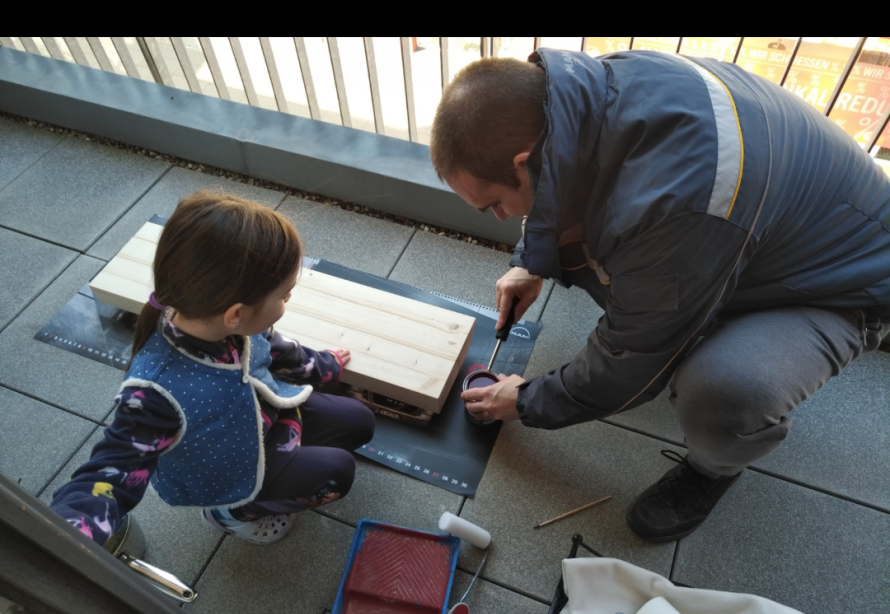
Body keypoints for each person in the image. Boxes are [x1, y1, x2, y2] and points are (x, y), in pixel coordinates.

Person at [431, 49, 890, 542]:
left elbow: (629, 365)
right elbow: (567, 191)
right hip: (757, 238)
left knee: (724, 390)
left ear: (525, 161)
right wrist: (530, 260)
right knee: (647, 281)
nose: (499, 217)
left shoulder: (673, 209)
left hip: (840, 284)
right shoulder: (583, 94)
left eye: (496, 203)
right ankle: (697, 316)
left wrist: (525, 400)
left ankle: (715, 466)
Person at [51, 191, 375, 546]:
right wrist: (68, 538)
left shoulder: (227, 320)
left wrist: (324, 366)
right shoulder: (155, 395)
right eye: (284, 295)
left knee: (360, 422)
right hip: (229, 470)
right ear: (236, 314)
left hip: (262, 416)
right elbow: (109, 472)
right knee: (337, 474)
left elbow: (277, 348)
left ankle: (291, 462)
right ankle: (233, 513)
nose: (289, 300)